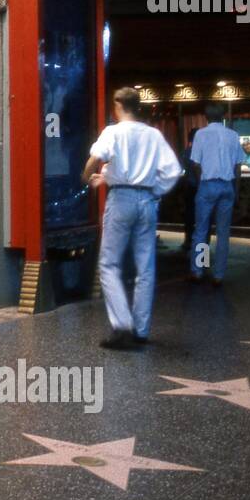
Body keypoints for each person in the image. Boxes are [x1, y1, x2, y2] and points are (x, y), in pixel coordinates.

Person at [83, 87, 182, 349]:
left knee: (109, 264)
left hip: (121, 201)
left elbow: (97, 158)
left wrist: (86, 175)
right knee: (145, 267)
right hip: (147, 201)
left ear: (118, 105)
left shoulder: (113, 131)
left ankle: (122, 325)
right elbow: (172, 171)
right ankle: (141, 329)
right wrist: (154, 190)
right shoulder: (153, 135)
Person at [189, 102, 246, 286]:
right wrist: (236, 190)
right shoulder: (233, 135)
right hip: (227, 186)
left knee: (201, 230)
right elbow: (238, 167)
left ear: (206, 117)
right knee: (223, 233)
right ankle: (219, 275)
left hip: (207, 185)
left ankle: (200, 269)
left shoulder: (200, 134)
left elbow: (196, 164)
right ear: (223, 116)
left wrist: (201, 184)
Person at [179, 128, 200, 252]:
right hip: (200, 187)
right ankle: (202, 260)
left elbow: (182, 168)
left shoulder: (186, 152)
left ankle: (188, 241)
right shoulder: (202, 152)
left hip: (189, 187)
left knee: (189, 216)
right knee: (202, 221)